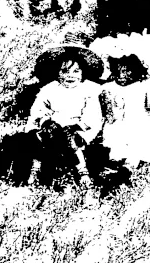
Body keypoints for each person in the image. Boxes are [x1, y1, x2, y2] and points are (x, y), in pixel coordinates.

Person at [20, 34, 105, 188]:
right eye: (65, 71)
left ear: (83, 72)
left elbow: (92, 115)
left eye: (75, 71)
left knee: (69, 137)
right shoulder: (50, 88)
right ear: (57, 72)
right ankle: (35, 172)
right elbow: (38, 109)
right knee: (42, 137)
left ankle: (82, 172)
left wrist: (77, 126)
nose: (70, 76)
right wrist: (45, 120)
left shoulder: (89, 90)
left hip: (78, 127)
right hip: (53, 125)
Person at [98, 53, 150, 169]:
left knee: (140, 143)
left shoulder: (143, 86)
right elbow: (107, 114)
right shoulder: (108, 88)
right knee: (117, 147)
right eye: (118, 69)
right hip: (117, 125)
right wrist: (108, 106)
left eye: (126, 71)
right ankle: (119, 162)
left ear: (135, 70)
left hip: (140, 124)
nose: (121, 75)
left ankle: (129, 166)